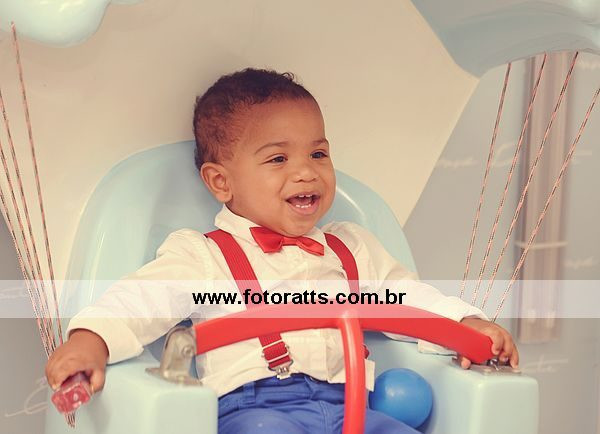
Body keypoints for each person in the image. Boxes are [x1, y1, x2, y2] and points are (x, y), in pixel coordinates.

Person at [45, 68, 519, 433]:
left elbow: (411, 300)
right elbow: (140, 300)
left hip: (351, 406)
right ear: (221, 182)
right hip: (253, 409)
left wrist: (464, 323)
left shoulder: (353, 248)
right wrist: (92, 339)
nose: (306, 172)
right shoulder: (204, 256)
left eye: (318, 154)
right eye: (278, 158)